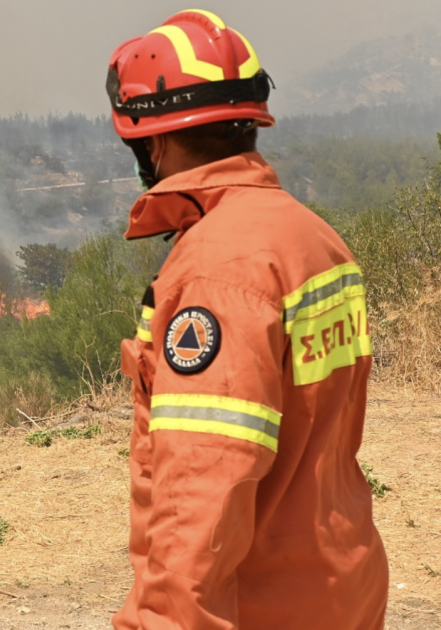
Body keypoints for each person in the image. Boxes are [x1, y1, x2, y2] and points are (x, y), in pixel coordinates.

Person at [105, 10, 389, 630]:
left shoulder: (214, 272)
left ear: (154, 143)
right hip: (341, 588)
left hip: (264, 606)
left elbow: (202, 488)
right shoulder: (313, 239)